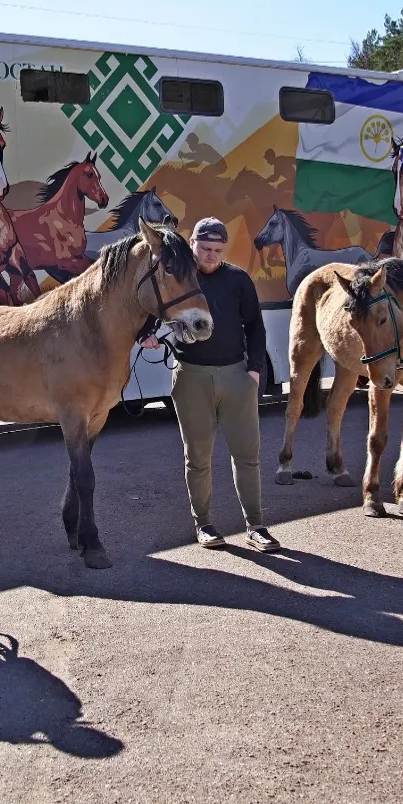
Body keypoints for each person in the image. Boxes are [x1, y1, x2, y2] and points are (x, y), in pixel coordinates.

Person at [142, 217, 278, 553]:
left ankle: (256, 526)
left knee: (247, 456)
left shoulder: (238, 279)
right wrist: (146, 336)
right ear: (192, 245)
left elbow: (255, 327)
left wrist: (254, 371)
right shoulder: (178, 276)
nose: (211, 255)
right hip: (191, 378)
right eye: (205, 248)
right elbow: (148, 307)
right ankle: (203, 524)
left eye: (217, 250)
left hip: (236, 377)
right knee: (198, 458)